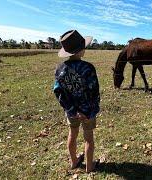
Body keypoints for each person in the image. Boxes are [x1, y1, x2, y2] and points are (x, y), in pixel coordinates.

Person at [53, 30, 100, 173]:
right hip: (87, 112)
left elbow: (57, 91)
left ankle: (74, 162)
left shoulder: (59, 69)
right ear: (81, 50)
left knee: (72, 135)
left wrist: (71, 109)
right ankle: (89, 167)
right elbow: (94, 91)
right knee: (89, 139)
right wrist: (90, 111)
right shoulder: (88, 68)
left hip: (71, 112)